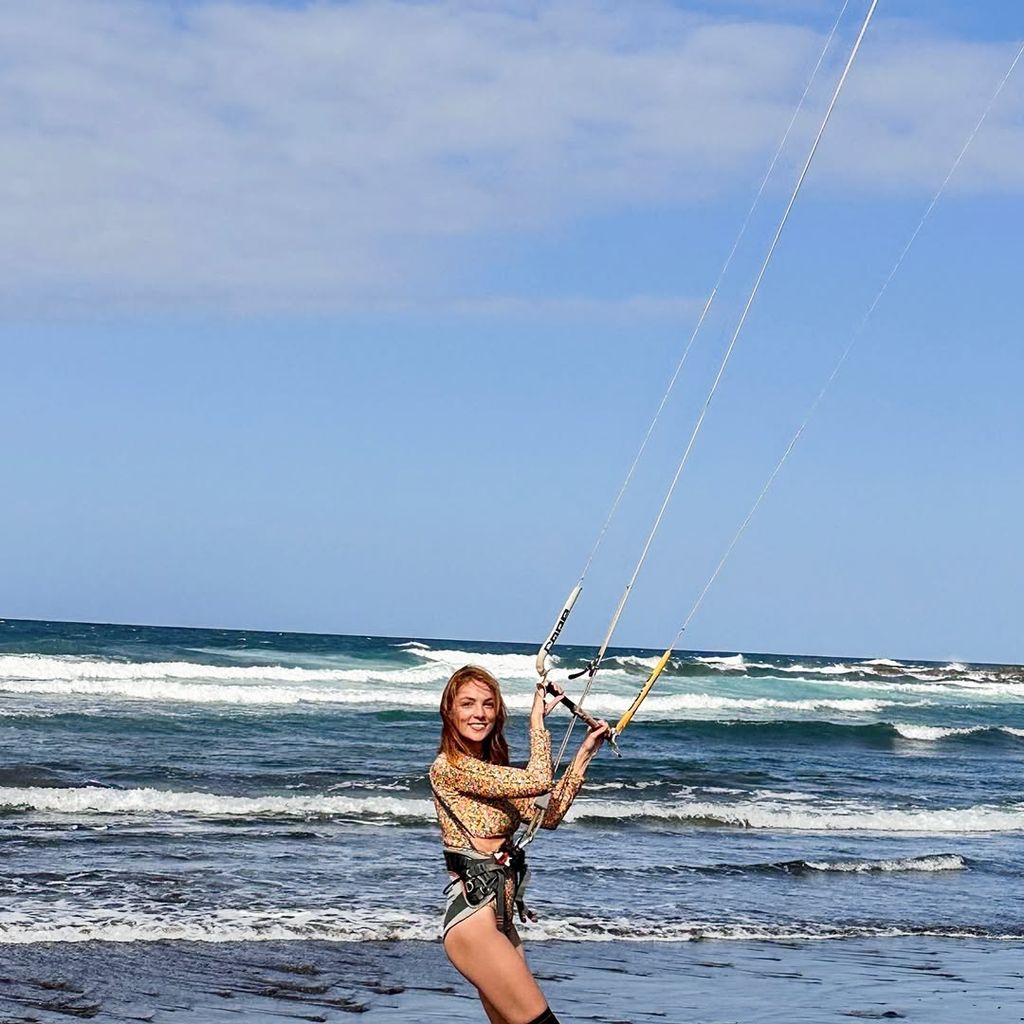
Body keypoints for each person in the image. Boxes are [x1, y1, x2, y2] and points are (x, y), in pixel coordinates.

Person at [429, 664, 610, 1024]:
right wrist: (537, 722)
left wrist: (585, 753)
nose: (478, 713)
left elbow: (550, 813)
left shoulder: (493, 775)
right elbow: (540, 779)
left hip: (501, 922)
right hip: (473, 922)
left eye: (488, 704)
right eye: (467, 704)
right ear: (449, 711)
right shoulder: (449, 768)